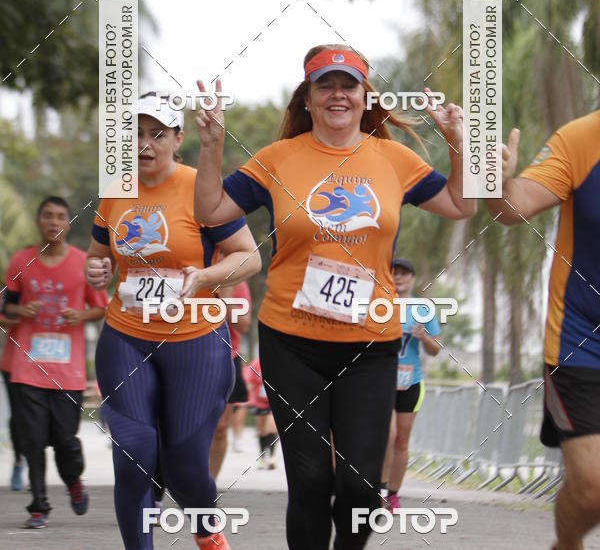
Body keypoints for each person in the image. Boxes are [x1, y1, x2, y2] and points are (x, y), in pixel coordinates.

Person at [193, 44, 476, 550]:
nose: (338, 94)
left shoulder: (393, 159)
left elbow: (460, 203)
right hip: (290, 341)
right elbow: (212, 211)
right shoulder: (278, 159)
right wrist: (211, 144)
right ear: (307, 98)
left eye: (349, 85)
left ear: (366, 97)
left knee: (360, 487)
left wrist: (458, 142)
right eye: (325, 85)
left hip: (370, 343)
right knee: (309, 482)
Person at [86, 94, 261, 550]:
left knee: (185, 468)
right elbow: (99, 259)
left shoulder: (200, 187)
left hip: (196, 341)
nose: (144, 144)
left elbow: (249, 258)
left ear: (178, 138)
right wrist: (97, 270)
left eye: (156, 134)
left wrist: (205, 275)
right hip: (126, 336)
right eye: (136, 134)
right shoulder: (115, 189)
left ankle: (206, 526)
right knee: (133, 455)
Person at [486, 111, 600, 550]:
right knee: (592, 488)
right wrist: (495, 180)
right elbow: (511, 208)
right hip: (581, 340)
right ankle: (566, 546)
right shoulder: (581, 139)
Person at [3, 196, 108, 529]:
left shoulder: (83, 262)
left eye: (60, 216)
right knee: (31, 438)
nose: (53, 222)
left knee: (65, 438)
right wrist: (20, 311)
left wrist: (80, 315)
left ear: (68, 223)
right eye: (47, 215)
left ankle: (73, 480)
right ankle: (38, 505)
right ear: (38, 222)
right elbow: (5, 313)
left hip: (68, 371)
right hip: (25, 365)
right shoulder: (21, 261)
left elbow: (102, 307)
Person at [380, 258, 440, 511]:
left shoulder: (423, 308)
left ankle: (393, 494)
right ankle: (378, 488)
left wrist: (423, 337)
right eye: (394, 273)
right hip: (381, 380)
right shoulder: (379, 304)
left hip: (411, 381)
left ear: (413, 279)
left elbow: (435, 349)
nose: (399, 278)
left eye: (405, 274)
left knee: (401, 440)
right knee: (387, 434)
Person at [209, 279, 252, 480]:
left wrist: (225, 296)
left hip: (226, 357)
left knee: (220, 427)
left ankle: (207, 486)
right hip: (188, 355)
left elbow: (244, 325)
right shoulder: (189, 271)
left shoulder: (237, 282)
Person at [0, 308, 26, 490]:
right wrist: (22, 317)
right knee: (18, 419)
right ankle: (19, 460)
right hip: (14, 362)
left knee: (44, 419)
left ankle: (36, 466)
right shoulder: (13, 284)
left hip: (51, 361)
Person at [245, 357, 278, 469]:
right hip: (258, 402)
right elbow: (249, 382)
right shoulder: (256, 363)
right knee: (262, 432)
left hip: (273, 403)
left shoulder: (277, 362)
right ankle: (263, 457)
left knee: (271, 429)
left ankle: (272, 458)